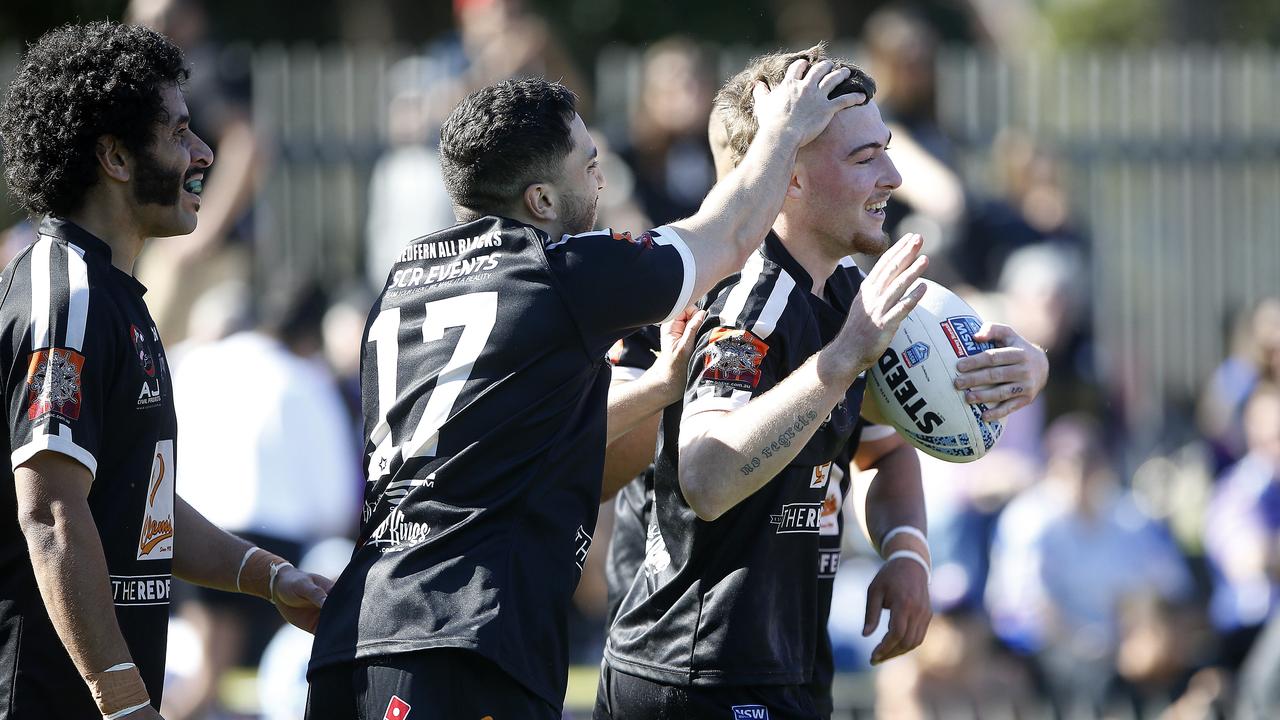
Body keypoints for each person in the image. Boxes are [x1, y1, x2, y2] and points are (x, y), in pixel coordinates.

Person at [305, 61, 867, 719]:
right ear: (542, 200)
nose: (602, 180)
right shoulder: (558, 274)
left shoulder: (404, 281)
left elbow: (505, 450)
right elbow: (733, 232)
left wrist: (658, 386)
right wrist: (784, 127)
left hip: (358, 629)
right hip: (464, 640)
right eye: (589, 163)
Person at [598, 45, 1049, 719]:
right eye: (865, 157)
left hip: (788, 672)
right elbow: (708, 479)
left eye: (887, 149)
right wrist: (842, 359)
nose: (894, 175)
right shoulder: (743, 298)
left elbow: (885, 445)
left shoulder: (844, 291)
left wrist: (908, 552)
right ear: (792, 177)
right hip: (699, 677)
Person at [0, 21, 330, 720]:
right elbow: (52, 515)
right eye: (179, 133)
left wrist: (270, 577)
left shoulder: (115, 296)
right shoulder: (71, 297)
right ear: (117, 156)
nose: (205, 152)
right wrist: (122, 700)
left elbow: (138, 507)